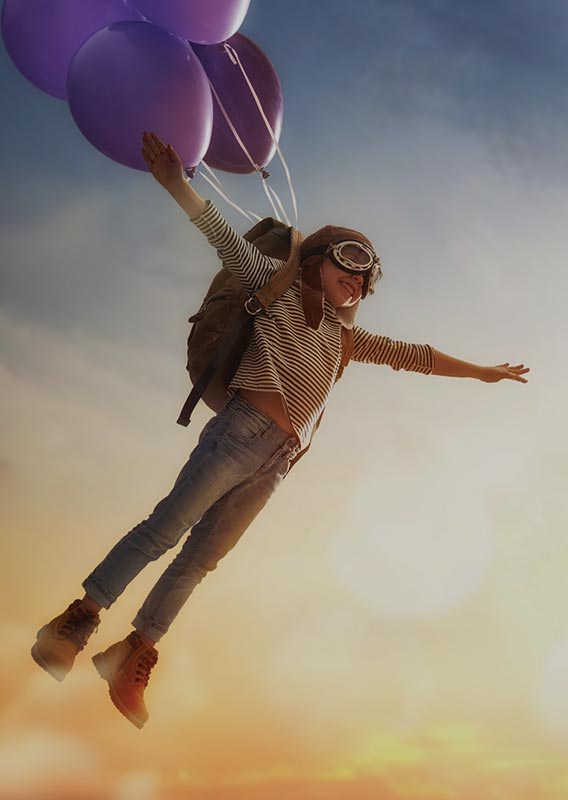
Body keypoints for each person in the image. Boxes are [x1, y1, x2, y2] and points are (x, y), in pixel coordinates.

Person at [30, 131, 530, 729]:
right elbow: (220, 235)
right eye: (349, 261)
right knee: (165, 529)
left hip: (277, 463)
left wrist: (481, 374)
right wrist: (176, 184)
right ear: (317, 258)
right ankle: (78, 620)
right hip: (241, 431)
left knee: (201, 559)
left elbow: (416, 354)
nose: (359, 280)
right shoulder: (276, 287)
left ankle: (133, 650)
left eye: (367, 278)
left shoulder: (345, 339)